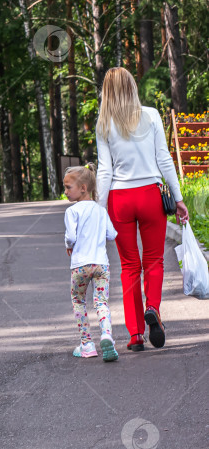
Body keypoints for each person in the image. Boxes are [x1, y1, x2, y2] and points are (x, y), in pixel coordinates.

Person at [96, 66, 189, 352]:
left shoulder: (104, 123)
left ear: (107, 91)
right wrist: (179, 197)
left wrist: (99, 211)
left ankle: (136, 335)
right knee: (154, 261)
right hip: (151, 195)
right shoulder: (151, 115)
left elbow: (104, 171)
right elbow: (164, 159)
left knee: (128, 267)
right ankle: (154, 308)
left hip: (120, 199)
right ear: (133, 86)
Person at [64, 163, 119, 362]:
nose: (66, 192)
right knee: (101, 302)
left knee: (78, 301)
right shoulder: (100, 211)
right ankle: (107, 336)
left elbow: (70, 237)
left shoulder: (72, 211)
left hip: (80, 264)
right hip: (101, 265)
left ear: (83, 188)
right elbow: (112, 235)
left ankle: (87, 344)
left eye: (69, 187)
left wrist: (68, 244)